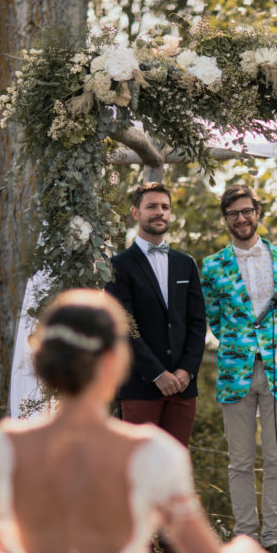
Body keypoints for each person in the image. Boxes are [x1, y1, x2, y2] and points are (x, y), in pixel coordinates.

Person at [0, 289, 266, 553]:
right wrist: (245, 550)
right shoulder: (153, 455)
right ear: (116, 362)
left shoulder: (5, 449)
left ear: (43, 362)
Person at [200, 184, 277, 553]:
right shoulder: (211, 266)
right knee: (240, 462)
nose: (241, 219)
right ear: (225, 219)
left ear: (257, 212)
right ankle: (246, 540)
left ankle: (274, 542)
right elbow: (215, 319)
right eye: (233, 214)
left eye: (247, 211)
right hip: (236, 371)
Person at [105, 181, 206, 447]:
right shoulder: (118, 266)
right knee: (138, 466)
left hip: (184, 388)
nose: (159, 212)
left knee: (175, 467)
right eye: (151, 206)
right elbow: (125, 324)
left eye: (165, 207)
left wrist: (187, 370)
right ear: (136, 213)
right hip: (140, 385)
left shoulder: (186, 264)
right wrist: (157, 373)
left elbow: (197, 322)